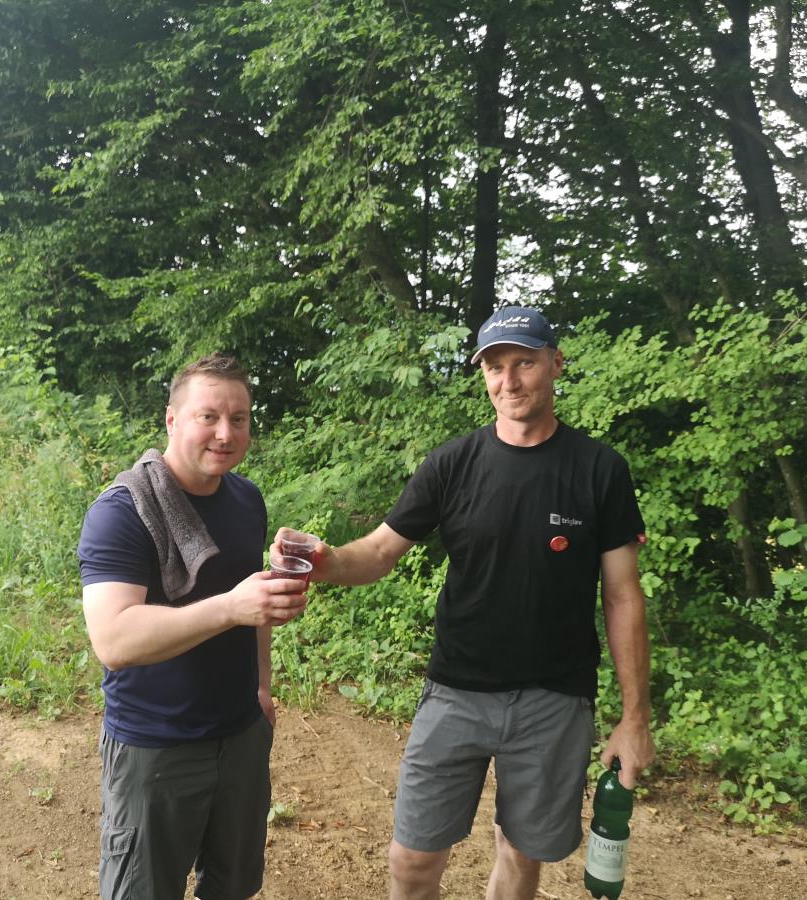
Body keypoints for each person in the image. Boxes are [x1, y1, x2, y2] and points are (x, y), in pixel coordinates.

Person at [276, 307, 655, 900]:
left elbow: (623, 596)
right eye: (495, 367)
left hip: (554, 700)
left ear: (556, 363)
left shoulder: (599, 469)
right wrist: (325, 560)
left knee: (520, 854)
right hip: (455, 692)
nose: (510, 381)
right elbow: (378, 552)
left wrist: (634, 721)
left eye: (525, 363)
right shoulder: (453, 464)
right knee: (411, 860)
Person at [79, 353, 308, 900]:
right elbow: (114, 640)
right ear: (172, 420)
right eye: (209, 416)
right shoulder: (122, 512)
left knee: (232, 887)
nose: (226, 433)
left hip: (240, 735)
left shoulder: (246, 499)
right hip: (156, 746)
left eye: (239, 418)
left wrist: (262, 688)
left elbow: (253, 609)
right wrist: (230, 607)